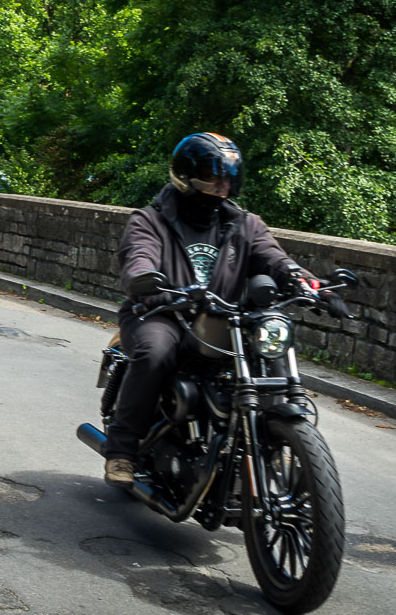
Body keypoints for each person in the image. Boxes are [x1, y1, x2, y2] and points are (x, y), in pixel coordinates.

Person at [102, 133, 321, 487]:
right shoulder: (150, 220)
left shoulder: (244, 224)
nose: (222, 186)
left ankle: (276, 440)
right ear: (185, 176)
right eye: (212, 177)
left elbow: (274, 258)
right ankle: (122, 449)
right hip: (163, 312)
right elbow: (140, 254)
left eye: (228, 178)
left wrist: (306, 282)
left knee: (272, 352)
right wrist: (143, 277)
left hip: (224, 319)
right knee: (155, 352)